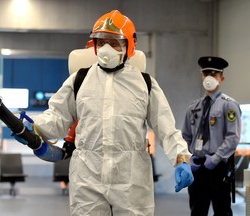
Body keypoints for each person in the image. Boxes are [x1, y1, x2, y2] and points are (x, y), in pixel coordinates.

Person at [15, 10, 193, 215]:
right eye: (101, 41)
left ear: (129, 45)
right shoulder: (79, 80)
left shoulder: (145, 83)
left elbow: (166, 128)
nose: (106, 48)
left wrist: (181, 159)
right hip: (88, 178)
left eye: (114, 42)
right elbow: (57, 117)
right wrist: (34, 127)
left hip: (131, 179)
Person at [182, 56, 241, 216]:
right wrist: (189, 157)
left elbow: (232, 138)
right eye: (206, 73)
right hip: (197, 166)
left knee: (221, 210)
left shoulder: (229, 105)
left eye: (214, 74)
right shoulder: (194, 106)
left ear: (221, 78)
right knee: (197, 210)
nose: (209, 78)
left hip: (218, 166)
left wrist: (215, 159)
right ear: (202, 76)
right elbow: (185, 135)